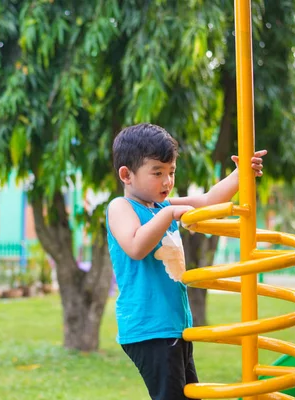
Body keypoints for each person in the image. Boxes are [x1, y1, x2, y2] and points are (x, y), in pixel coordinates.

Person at [106, 123, 266, 400]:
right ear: (126, 175)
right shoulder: (120, 207)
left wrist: (241, 174)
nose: (167, 182)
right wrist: (168, 215)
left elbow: (208, 201)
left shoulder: (161, 208)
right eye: (157, 173)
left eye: (171, 172)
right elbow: (135, 246)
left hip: (175, 325)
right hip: (149, 328)